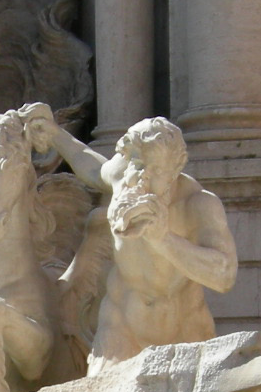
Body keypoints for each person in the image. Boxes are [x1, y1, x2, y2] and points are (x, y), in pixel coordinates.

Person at [26, 108, 238, 370]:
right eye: (138, 166)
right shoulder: (122, 177)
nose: (144, 178)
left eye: (157, 170)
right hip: (120, 327)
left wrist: (163, 239)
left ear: (176, 167)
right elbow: (94, 169)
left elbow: (224, 275)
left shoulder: (198, 204)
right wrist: (56, 135)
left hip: (185, 329)